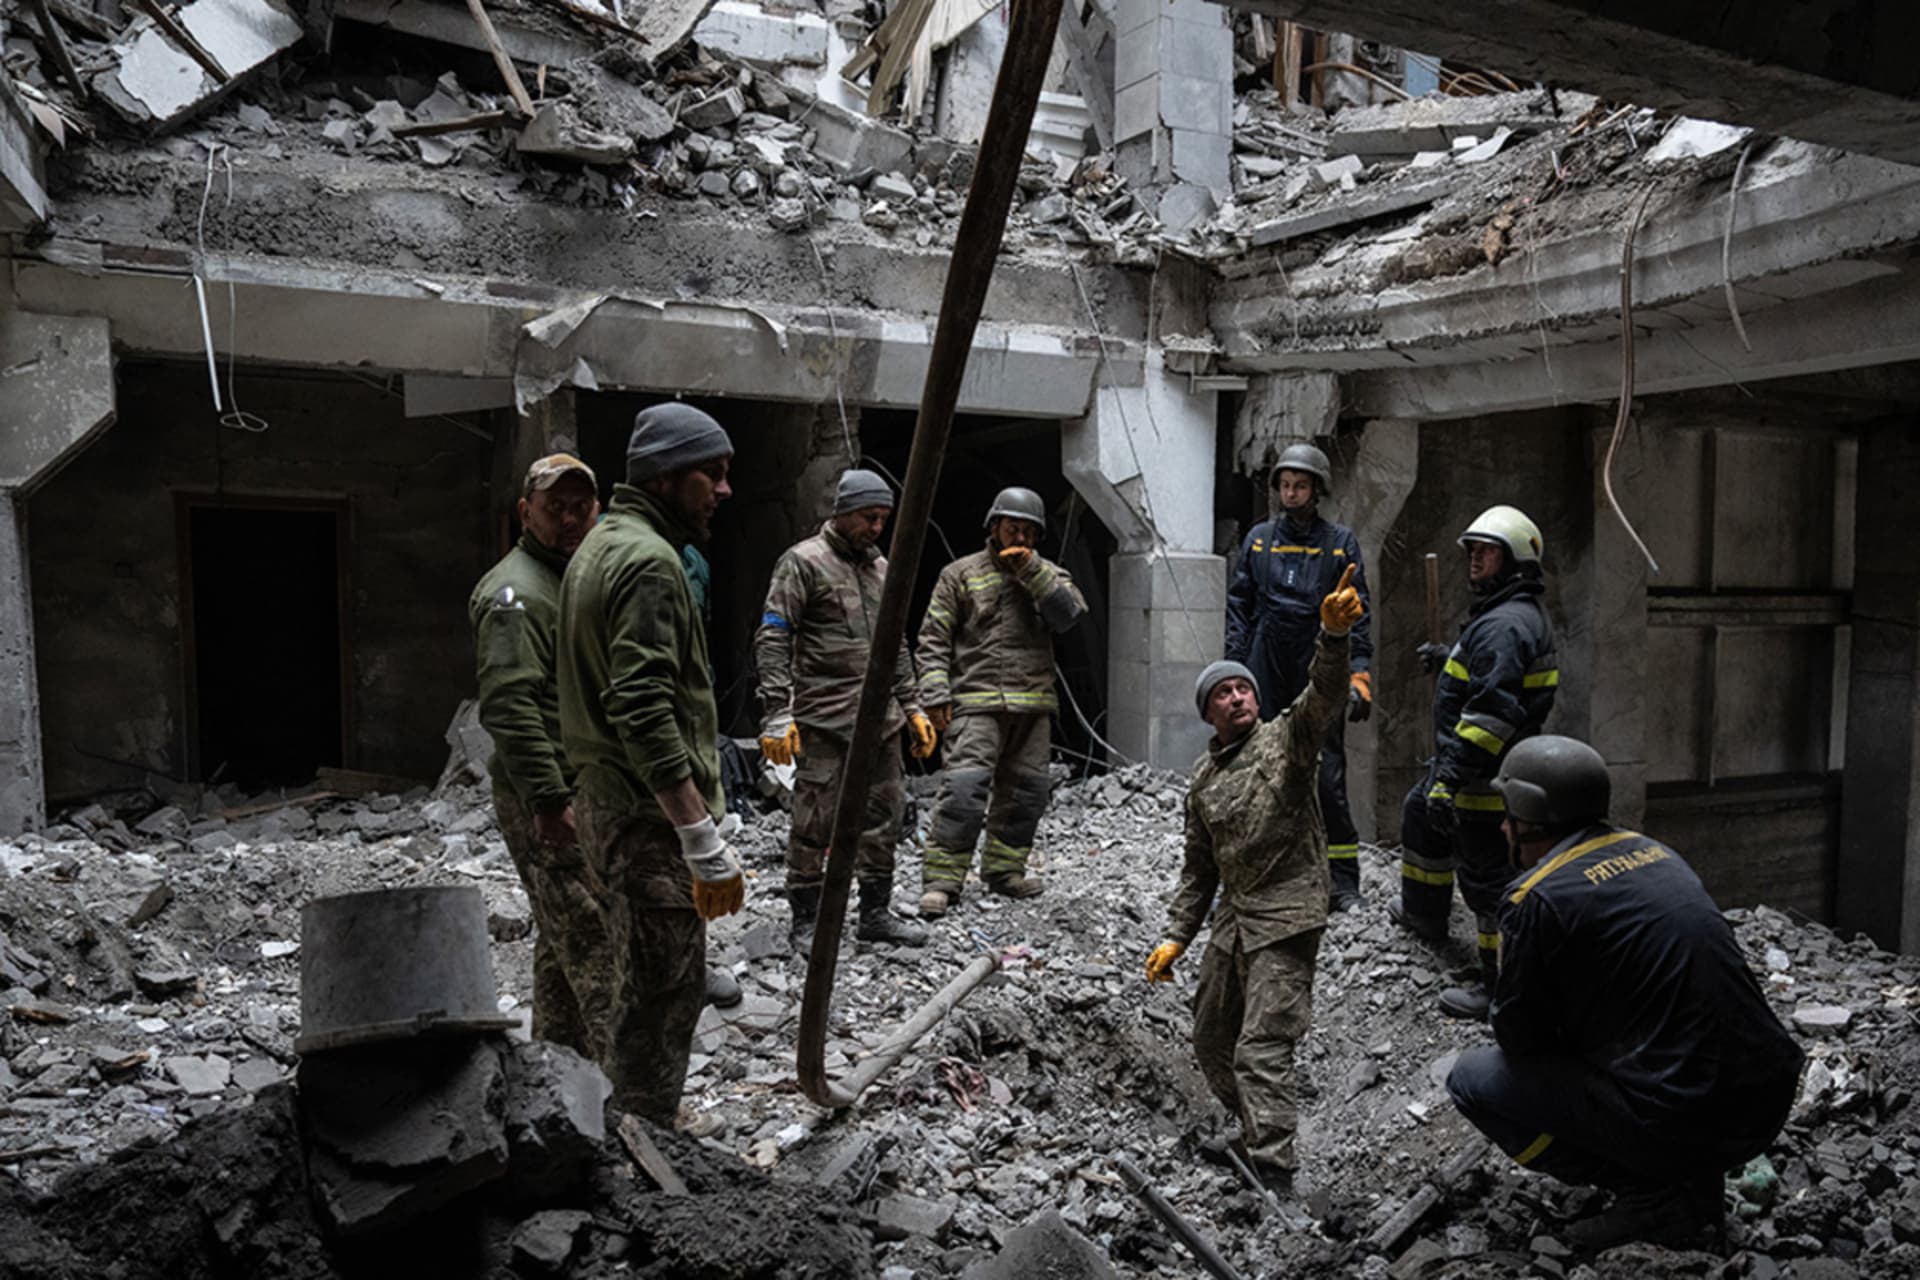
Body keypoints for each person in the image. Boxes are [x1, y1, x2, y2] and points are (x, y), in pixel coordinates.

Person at [1446, 735, 1804, 1251]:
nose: (1502, 827)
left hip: (1689, 1117)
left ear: (1530, 814)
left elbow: (1519, 1038)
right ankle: (1685, 1173)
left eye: (1508, 814)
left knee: (1472, 1079)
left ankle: (1652, 1197)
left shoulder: (1537, 896)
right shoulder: (1653, 852)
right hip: (1765, 1099)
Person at [1145, 565, 1365, 1195]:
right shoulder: (1204, 781)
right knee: (1213, 1037)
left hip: (1287, 915)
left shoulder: (1285, 742)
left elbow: (1322, 697)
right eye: (1224, 694)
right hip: (1234, 921)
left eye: (1244, 689)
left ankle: (1273, 1170)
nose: (1238, 697)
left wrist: (1332, 638)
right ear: (1207, 713)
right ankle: (1254, 1130)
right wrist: (1175, 936)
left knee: (1262, 1046)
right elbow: (1198, 869)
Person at [557, 403, 746, 1123]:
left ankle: (619, 1121)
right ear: (668, 478)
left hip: (607, 800)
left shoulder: (602, 543)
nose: (724, 491)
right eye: (713, 475)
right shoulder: (649, 563)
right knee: (665, 993)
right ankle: (642, 1145)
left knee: (635, 978)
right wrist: (698, 835)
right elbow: (641, 708)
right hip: (642, 816)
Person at [754, 468, 937, 950]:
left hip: (880, 723)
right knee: (814, 822)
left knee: (884, 817)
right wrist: (777, 710)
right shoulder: (802, 563)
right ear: (842, 512)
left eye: (884, 519)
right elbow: (774, 635)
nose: (877, 528)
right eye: (868, 517)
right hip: (823, 720)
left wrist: (912, 705)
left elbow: (895, 641)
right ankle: (807, 922)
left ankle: (874, 913)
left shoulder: (881, 569)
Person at [468, 454, 611, 1056]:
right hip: (549, 793)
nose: (571, 518)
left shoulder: (568, 579)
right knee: (598, 944)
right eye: (556, 508)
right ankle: (638, 1106)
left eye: (582, 507)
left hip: (577, 786)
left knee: (563, 941)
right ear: (527, 512)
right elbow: (507, 707)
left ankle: (557, 1079)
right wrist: (549, 800)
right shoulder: (517, 594)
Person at [1391, 504, 1558, 1021]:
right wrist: (1450, 662)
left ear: (1516, 562)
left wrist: (1450, 777)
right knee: (1420, 815)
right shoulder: (1503, 618)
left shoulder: (1505, 626)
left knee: (1487, 881)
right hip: (1477, 766)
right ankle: (1424, 915)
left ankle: (1500, 990)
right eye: (1474, 551)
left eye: (1488, 552)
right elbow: (1489, 679)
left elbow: (1491, 716)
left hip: (1487, 777)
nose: (1474, 560)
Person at [913, 487, 1087, 916]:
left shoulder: (1050, 575)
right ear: (994, 527)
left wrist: (1033, 573)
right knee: (964, 790)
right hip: (976, 701)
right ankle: (942, 880)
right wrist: (934, 695)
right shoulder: (960, 575)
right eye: (1013, 528)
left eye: (1029, 532)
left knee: (1027, 794)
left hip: (1033, 703)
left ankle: (1004, 871)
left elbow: (1067, 617)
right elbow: (932, 640)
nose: (1021, 538)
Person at [1225, 442, 1374, 911]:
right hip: (1265, 657)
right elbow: (1239, 609)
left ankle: (1343, 883)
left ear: (1317, 490)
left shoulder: (1339, 543)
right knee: (1257, 768)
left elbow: (1358, 614)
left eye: (1300, 485)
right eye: (1285, 485)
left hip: (1317, 657)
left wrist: (1359, 673)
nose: (1291, 493)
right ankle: (1255, 874)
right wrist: (1233, 670)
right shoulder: (1259, 540)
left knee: (1326, 773)